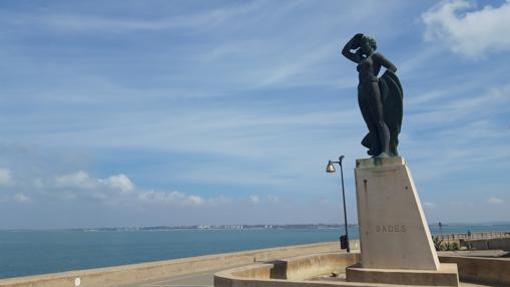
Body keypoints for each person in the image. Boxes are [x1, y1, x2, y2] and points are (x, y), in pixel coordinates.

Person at [342, 33, 403, 157]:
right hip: (362, 88)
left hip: (372, 85)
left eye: (363, 43)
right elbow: (345, 52)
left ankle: (385, 151)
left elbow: (392, 67)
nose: (361, 46)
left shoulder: (376, 57)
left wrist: (382, 81)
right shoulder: (361, 59)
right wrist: (354, 39)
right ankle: (376, 150)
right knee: (369, 122)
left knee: (379, 120)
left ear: (369, 44)